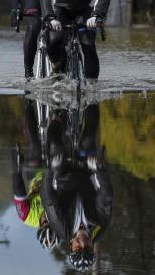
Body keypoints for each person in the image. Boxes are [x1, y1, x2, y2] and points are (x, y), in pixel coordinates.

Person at [40, 104, 112, 271]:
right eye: (87, 248)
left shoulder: (61, 228)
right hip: (86, 171)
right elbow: (106, 196)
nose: (82, 243)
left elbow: (48, 196)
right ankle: (92, 93)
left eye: (78, 248)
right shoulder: (100, 225)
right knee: (87, 140)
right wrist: (99, 170)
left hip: (63, 175)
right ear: (92, 247)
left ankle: (56, 116)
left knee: (55, 146)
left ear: (71, 246)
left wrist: (50, 169)